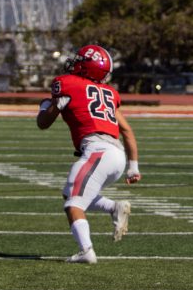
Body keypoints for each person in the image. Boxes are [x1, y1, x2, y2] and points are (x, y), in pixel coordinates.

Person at [36, 44, 141, 264]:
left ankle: (87, 251)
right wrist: (133, 167)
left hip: (98, 152)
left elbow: (43, 123)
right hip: (117, 157)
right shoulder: (109, 93)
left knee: (73, 204)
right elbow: (127, 130)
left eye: (79, 61)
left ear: (87, 67)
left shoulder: (67, 84)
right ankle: (114, 207)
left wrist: (49, 107)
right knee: (71, 193)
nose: (74, 63)